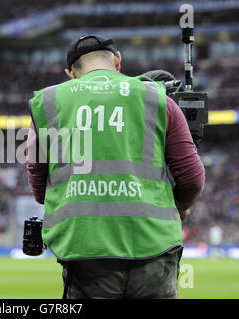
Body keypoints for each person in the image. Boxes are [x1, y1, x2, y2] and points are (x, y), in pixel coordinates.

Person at [26, 35, 205, 299]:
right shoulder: (158, 99)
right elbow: (192, 179)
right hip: (154, 245)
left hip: (86, 249)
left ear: (71, 73)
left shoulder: (49, 102)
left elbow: (40, 187)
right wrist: (179, 208)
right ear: (117, 60)